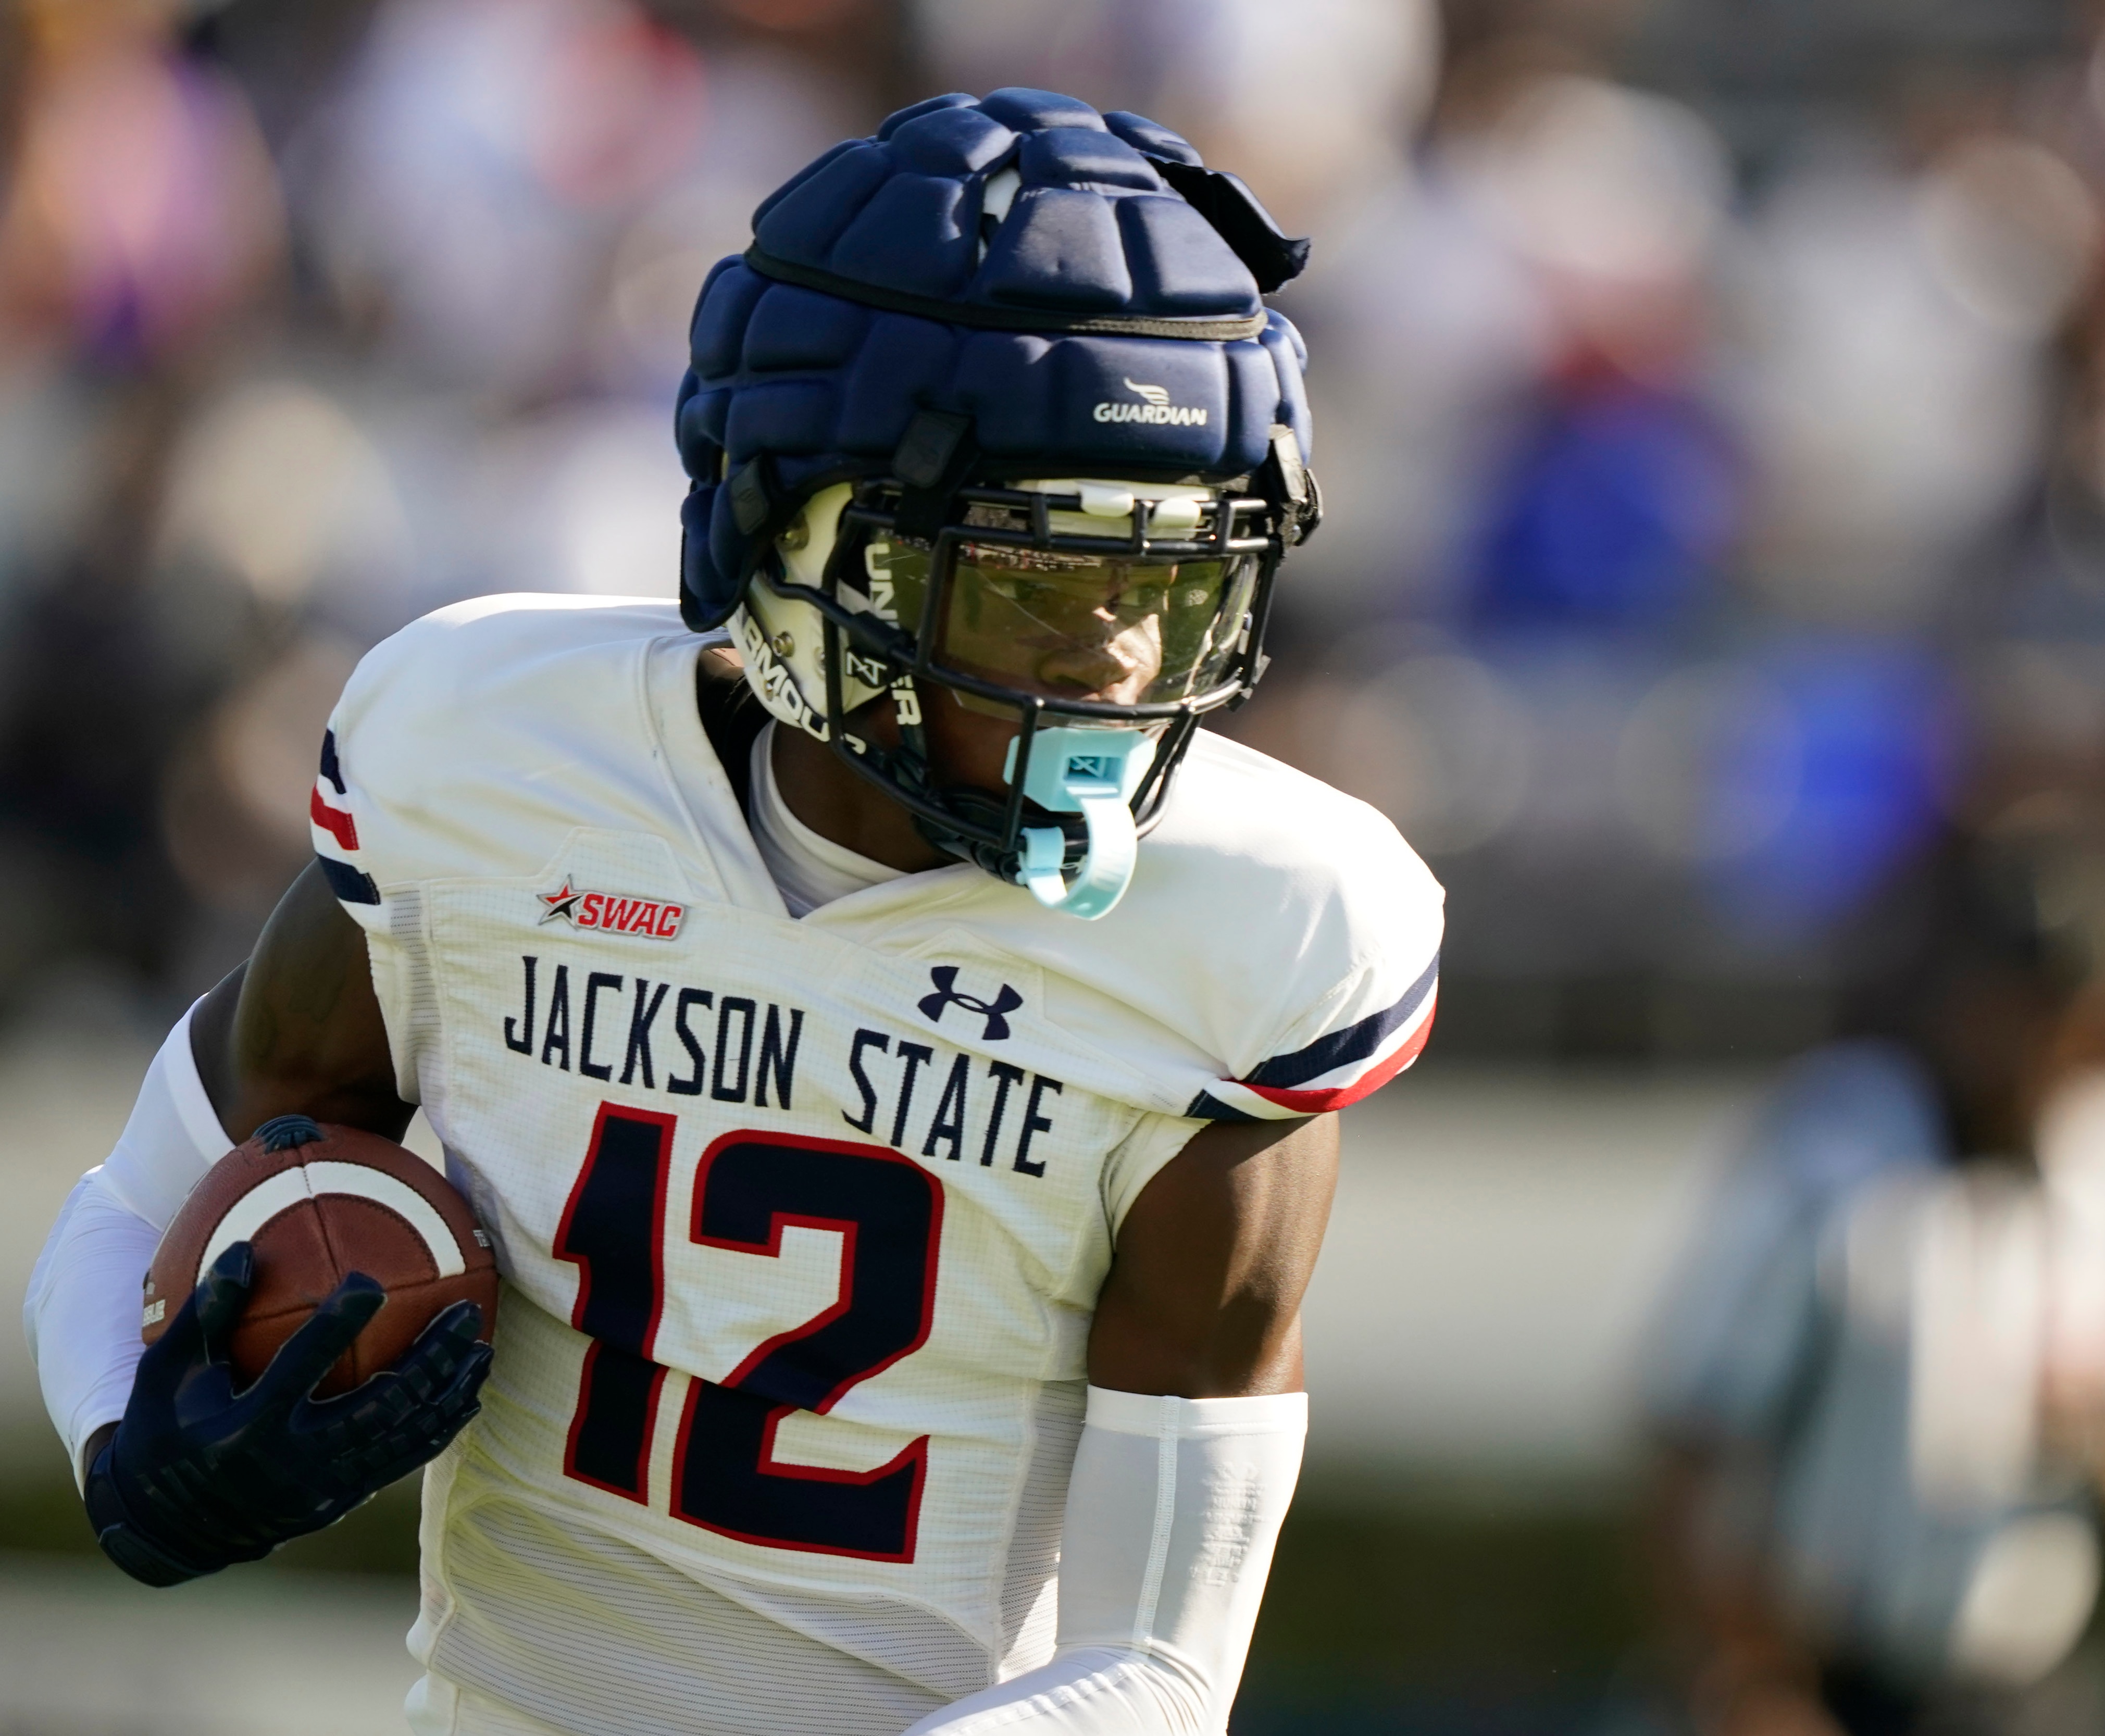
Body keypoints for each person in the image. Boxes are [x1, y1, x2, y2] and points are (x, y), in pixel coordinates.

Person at [22, 88, 1442, 1736]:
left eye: (1172, 576)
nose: (1121, 657)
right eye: (1041, 575)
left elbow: (1163, 1666)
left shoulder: (1249, 928)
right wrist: (137, 1451)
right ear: (802, 532)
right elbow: (136, 1201)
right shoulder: (494, 764)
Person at [1626, 799, 2105, 1736]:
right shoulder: (1834, 1142)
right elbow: (1689, 1433)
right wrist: (1745, 1679)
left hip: (2033, 1686)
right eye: (2025, 1006)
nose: (2045, 1047)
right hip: (1826, 1679)